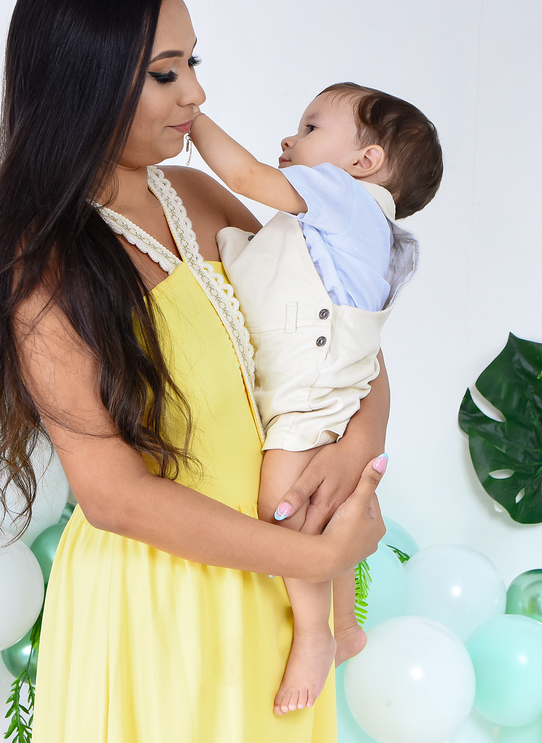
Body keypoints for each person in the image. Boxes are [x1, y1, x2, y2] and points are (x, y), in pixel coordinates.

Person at [0, 0, 387, 742]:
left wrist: (357, 453)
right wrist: (317, 559)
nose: (197, 94)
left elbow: (348, 334)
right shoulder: (47, 269)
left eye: (193, 64)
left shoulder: (199, 197)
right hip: (159, 606)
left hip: (281, 592)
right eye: (165, 73)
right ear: (83, 83)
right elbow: (114, 497)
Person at [189, 87, 441, 712]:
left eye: (310, 127)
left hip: (309, 394)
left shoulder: (344, 199)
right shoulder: (335, 225)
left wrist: (190, 118)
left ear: (364, 162)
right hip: (318, 388)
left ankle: (313, 636)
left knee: (283, 506)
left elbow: (245, 175)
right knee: (321, 512)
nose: (290, 138)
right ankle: (346, 625)